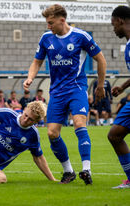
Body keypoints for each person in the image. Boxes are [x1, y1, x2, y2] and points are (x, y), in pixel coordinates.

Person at [23, 4, 106, 184]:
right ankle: (68, 171)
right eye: (47, 23)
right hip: (57, 93)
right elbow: (37, 62)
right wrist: (30, 78)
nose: (48, 26)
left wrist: (100, 85)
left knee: (79, 123)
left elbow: (100, 59)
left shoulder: (81, 36)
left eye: (51, 22)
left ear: (62, 20)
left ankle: (86, 169)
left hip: (76, 89)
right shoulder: (46, 38)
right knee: (52, 133)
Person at [108, 5, 130, 189]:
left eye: (113, 23)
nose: (113, 28)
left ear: (120, 20)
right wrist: (123, 87)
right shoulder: (128, 45)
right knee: (115, 135)